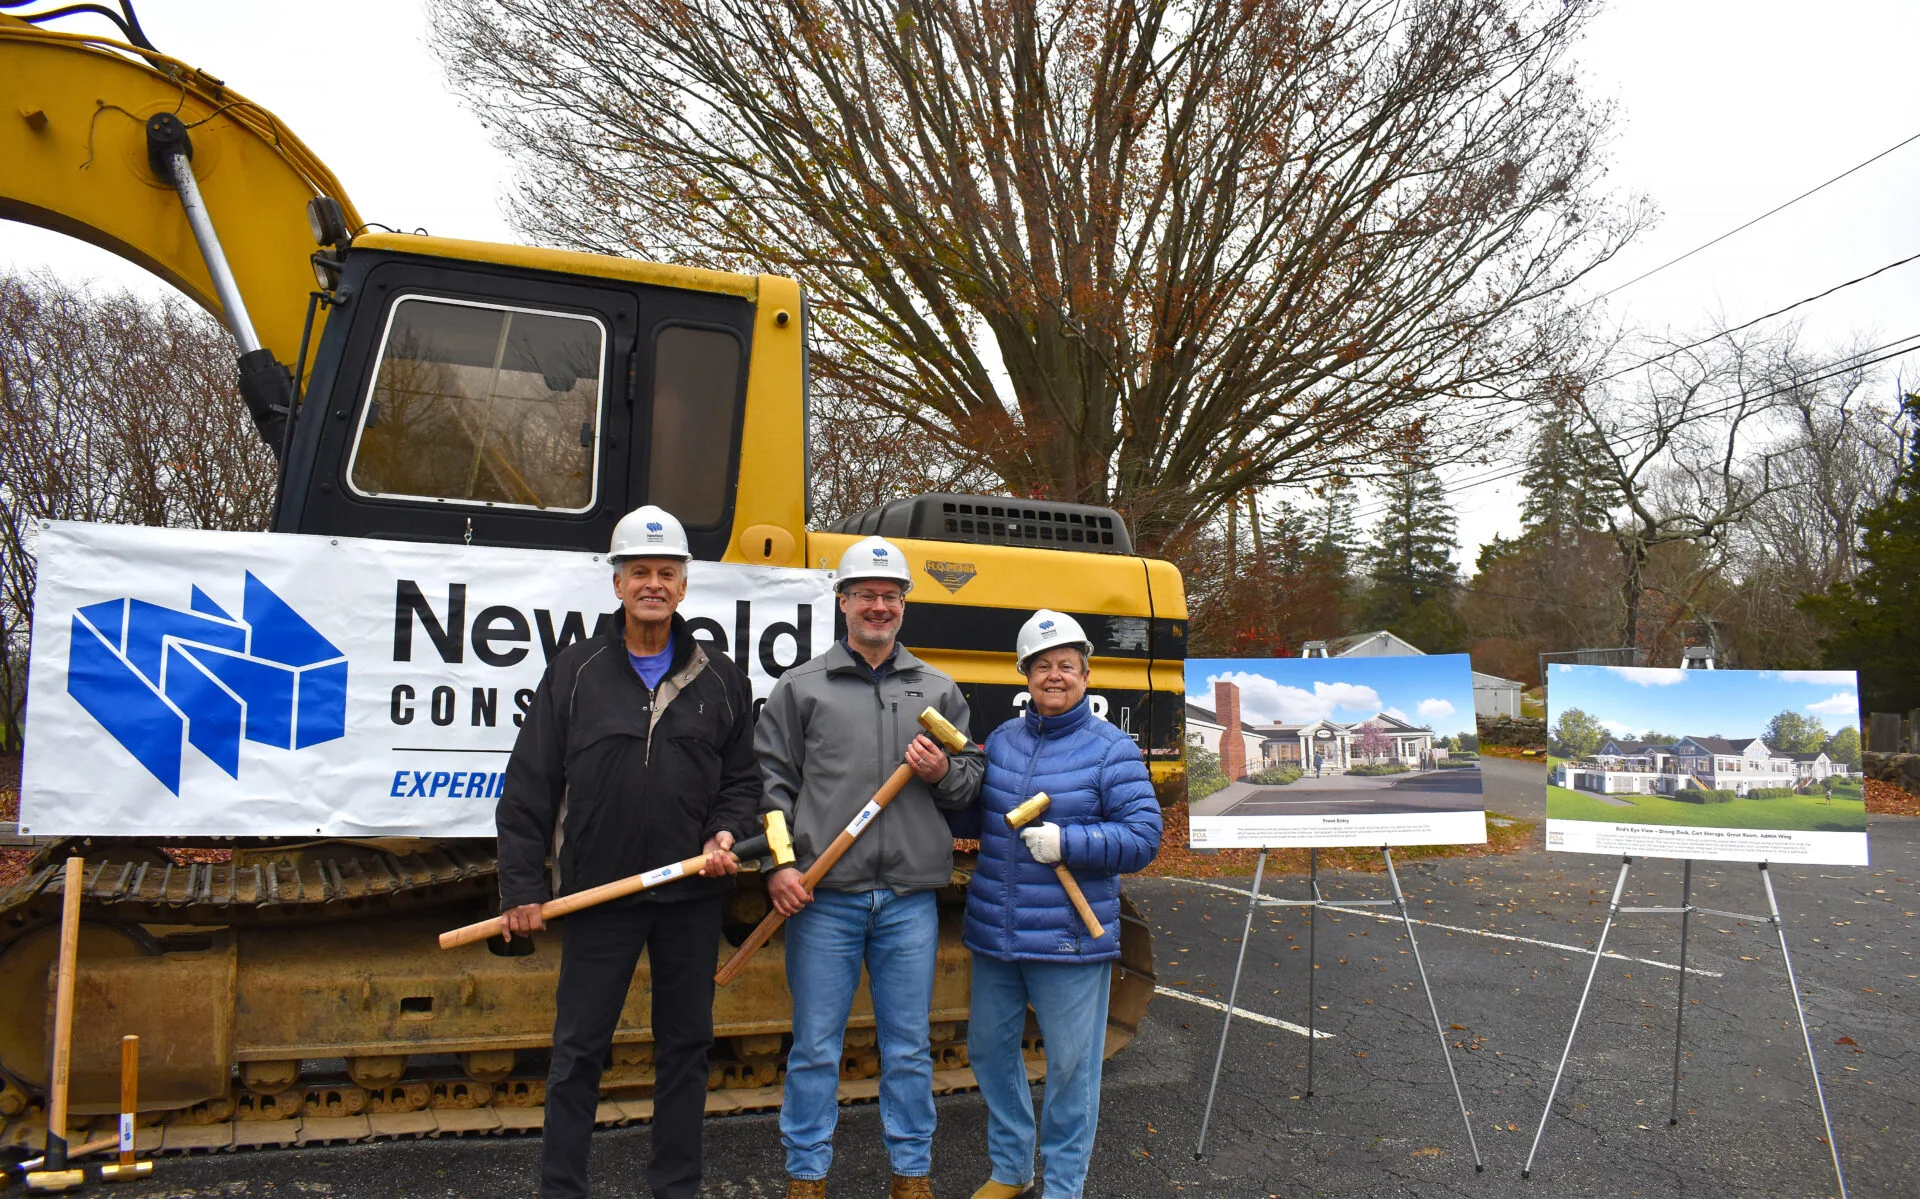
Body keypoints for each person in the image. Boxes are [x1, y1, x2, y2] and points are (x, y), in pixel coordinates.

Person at [495, 505, 761, 1199]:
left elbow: (743, 782)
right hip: (598, 895)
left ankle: (676, 1188)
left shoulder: (721, 678)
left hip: (690, 898)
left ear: (683, 585)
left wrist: (725, 833)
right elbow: (529, 785)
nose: (652, 584)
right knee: (579, 1051)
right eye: (639, 571)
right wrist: (522, 888)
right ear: (616, 583)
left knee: (686, 1050)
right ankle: (561, 1190)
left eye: (666, 572)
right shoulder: (576, 671)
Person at [756, 535, 985, 1199]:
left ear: (904, 604)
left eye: (890, 595)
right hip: (824, 897)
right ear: (843, 601)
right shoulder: (802, 687)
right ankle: (806, 1178)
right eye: (866, 595)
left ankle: (911, 1174)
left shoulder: (937, 688)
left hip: (909, 899)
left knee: (908, 1047)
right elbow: (770, 786)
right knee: (815, 1047)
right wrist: (779, 865)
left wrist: (942, 772)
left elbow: (970, 777)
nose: (878, 606)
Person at [955, 609, 1162, 1199]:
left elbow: (1143, 838)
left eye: (1066, 665)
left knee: (1072, 1068)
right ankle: (1011, 1170)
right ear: (1025, 675)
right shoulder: (1003, 740)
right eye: (1042, 665)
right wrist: (942, 780)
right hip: (997, 931)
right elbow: (975, 820)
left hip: (1069, 936)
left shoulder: (1111, 750)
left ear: (1086, 675)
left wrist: (1068, 842)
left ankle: (1064, 1187)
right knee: (989, 1052)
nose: (1054, 676)